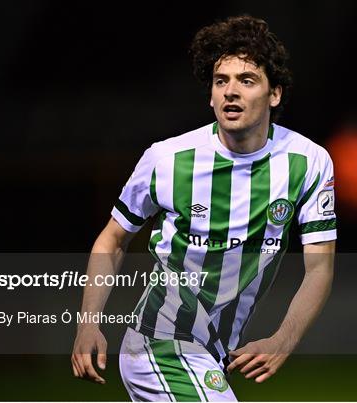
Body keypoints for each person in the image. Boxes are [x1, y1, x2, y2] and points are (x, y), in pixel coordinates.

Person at [72, 15, 336, 401]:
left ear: (274, 94)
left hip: (212, 353)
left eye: (246, 80)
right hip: (159, 344)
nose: (231, 91)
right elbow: (112, 240)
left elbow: (320, 267)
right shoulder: (168, 158)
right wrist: (88, 324)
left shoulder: (308, 161)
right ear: (211, 95)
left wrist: (284, 338)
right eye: (221, 81)